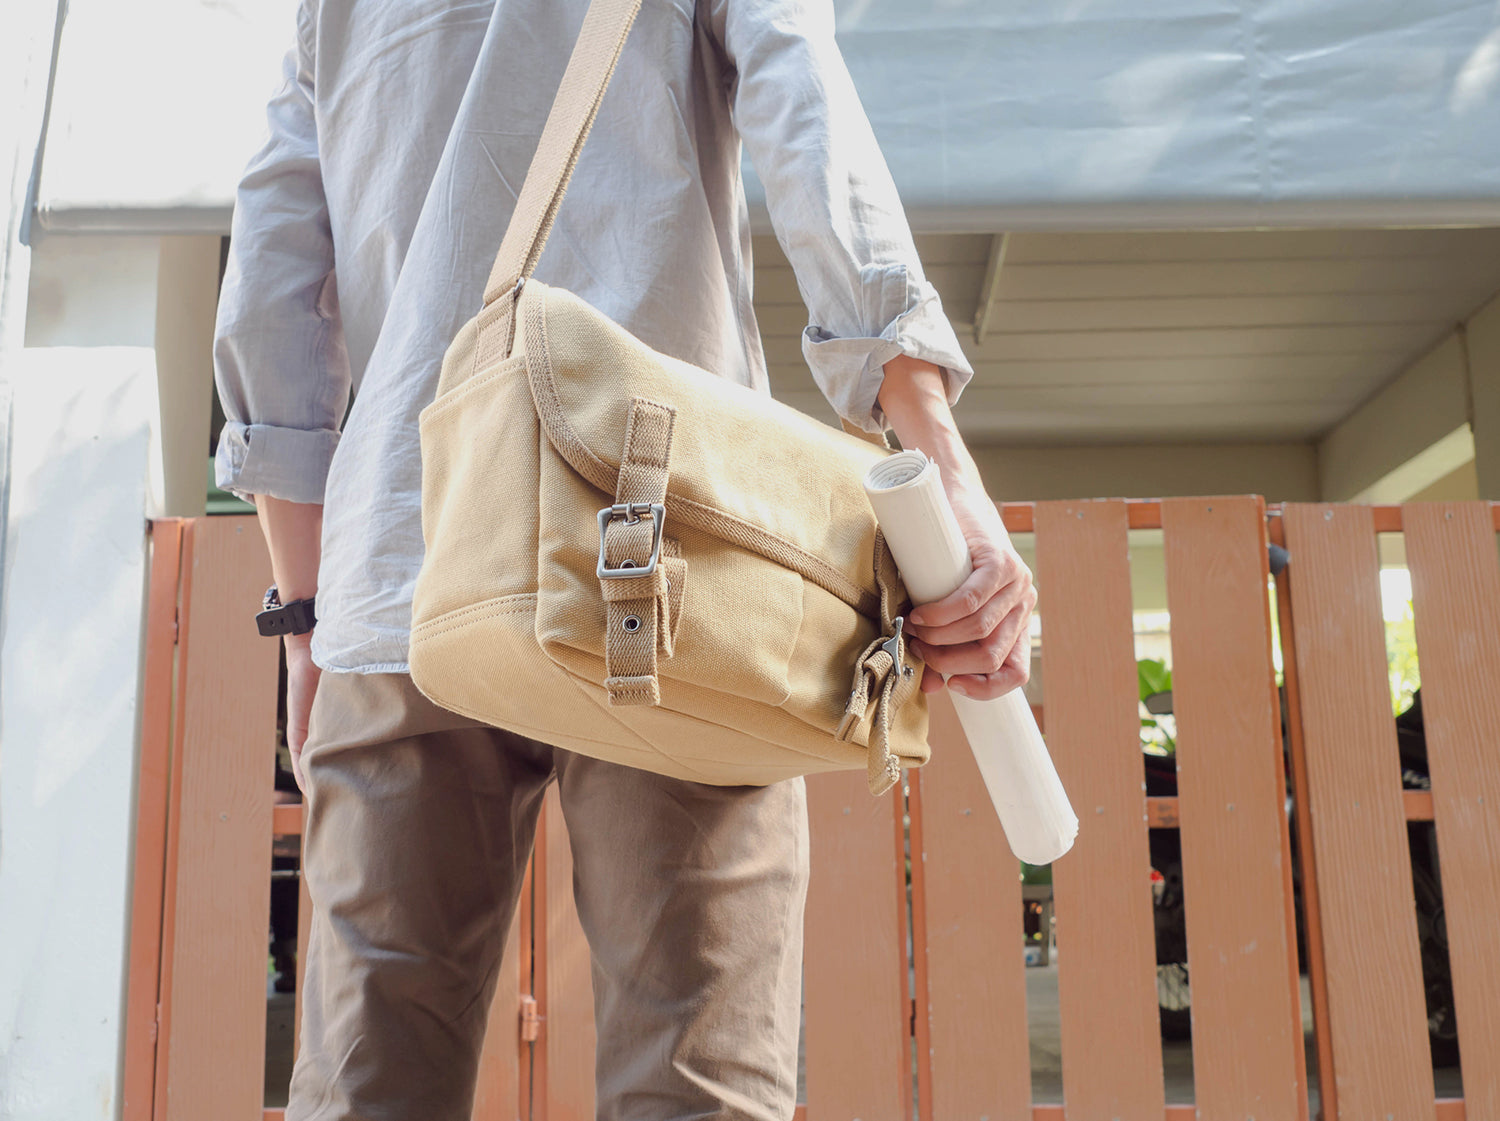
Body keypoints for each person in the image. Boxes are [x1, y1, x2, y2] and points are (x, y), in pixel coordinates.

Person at [213, 0, 1037, 1117]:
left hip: (407, 565)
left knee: (369, 1082)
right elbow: (807, 116)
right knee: (698, 1080)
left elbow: (273, 262)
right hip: (668, 558)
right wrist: (935, 450)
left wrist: (307, 608)